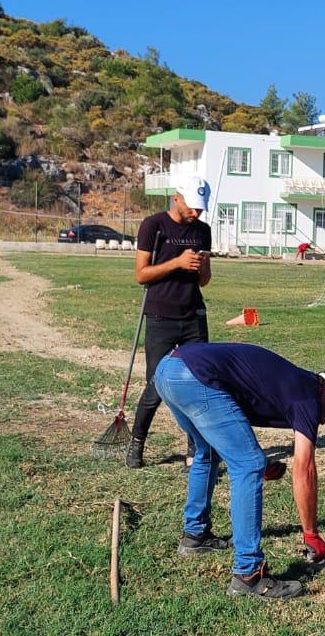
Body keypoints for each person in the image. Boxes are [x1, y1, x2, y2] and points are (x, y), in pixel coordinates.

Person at [151, 342, 325, 599]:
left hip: (170, 370)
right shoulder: (309, 396)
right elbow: (305, 469)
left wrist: (258, 459)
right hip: (194, 375)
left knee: (207, 452)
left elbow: (234, 409)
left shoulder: (294, 383)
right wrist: (311, 534)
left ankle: (195, 535)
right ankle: (249, 574)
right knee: (248, 465)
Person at [127, 175, 214, 469]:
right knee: (156, 385)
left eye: (201, 208)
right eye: (192, 206)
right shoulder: (153, 225)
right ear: (177, 197)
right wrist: (176, 263)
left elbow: (205, 281)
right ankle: (137, 441)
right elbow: (141, 274)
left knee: (199, 383)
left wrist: (201, 267)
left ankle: (195, 448)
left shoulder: (203, 231)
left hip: (194, 317)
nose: (196, 213)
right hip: (161, 316)